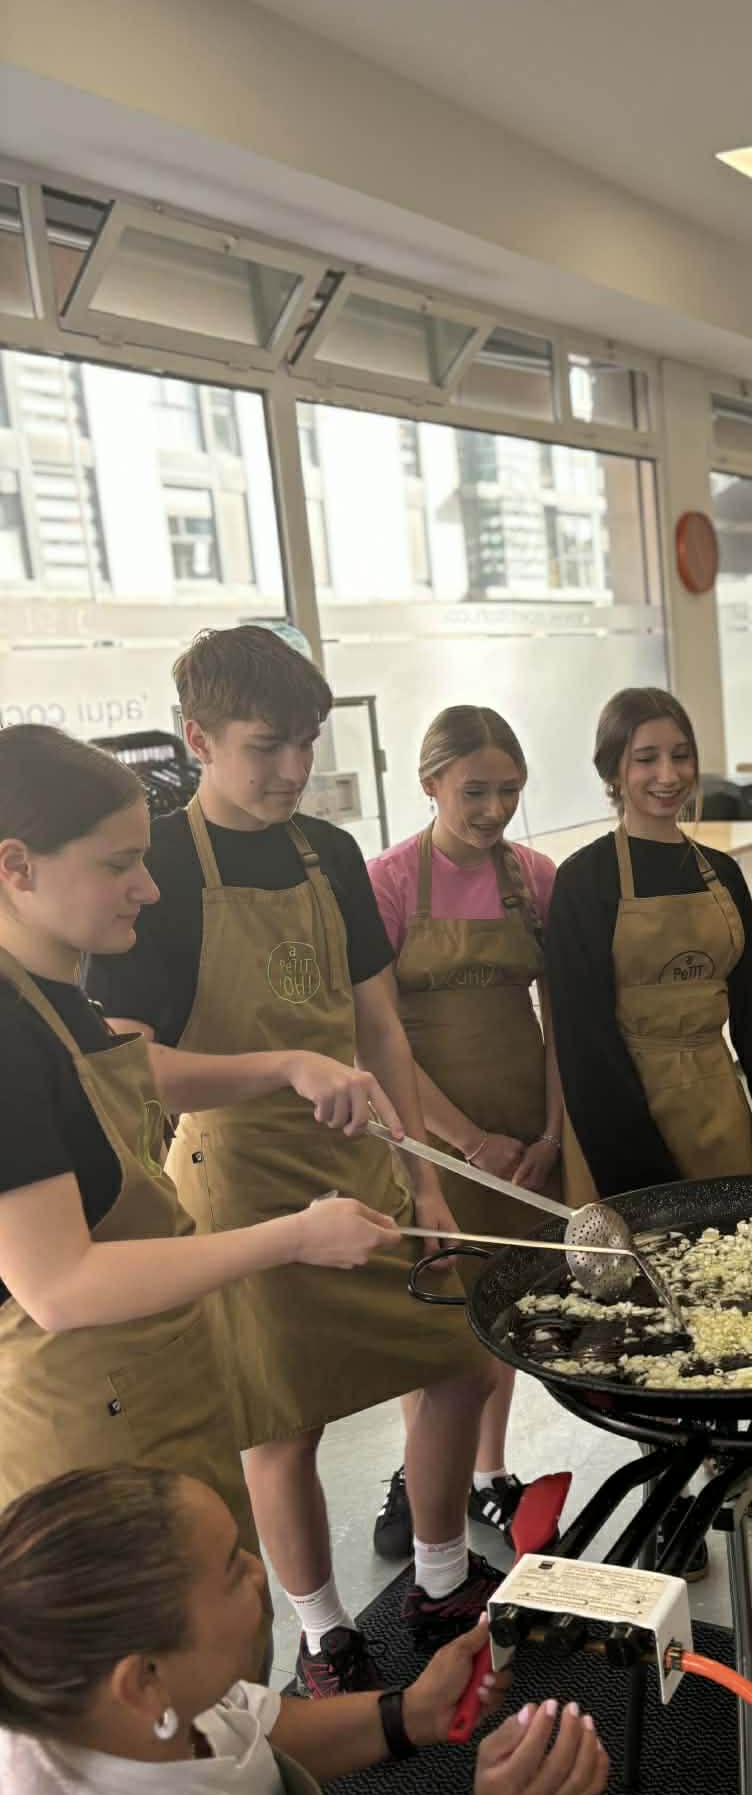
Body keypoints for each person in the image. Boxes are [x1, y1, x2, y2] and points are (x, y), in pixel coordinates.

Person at [88, 627, 499, 1701]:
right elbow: (133, 1067)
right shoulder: (155, 872)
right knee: (281, 1421)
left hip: (363, 1160)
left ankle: (441, 1577)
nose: (291, 769)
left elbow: (381, 1026)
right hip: (238, 1182)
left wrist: (424, 1174)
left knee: (458, 1356)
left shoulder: (328, 851)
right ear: (198, 738)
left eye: (306, 743)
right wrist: (281, 1065)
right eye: (265, 746)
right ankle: (323, 1634)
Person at [0, 726, 404, 1670]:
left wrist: (287, 1063)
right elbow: (59, 1285)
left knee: (225, 1651)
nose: (147, 888)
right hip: (83, 1419)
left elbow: (136, 1069)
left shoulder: (57, 994)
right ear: (15, 866)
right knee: (168, 1680)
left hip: (158, 1378)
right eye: (119, 865)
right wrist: (292, 1237)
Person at [0, 1465, 608, 1795]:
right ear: (143, 1681)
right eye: (231, 1569)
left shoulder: (87, 1700)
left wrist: (410, 1713)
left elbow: (253, 1729)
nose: (258, 1570)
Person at [544, 686, 752, 1572]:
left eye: (680, 755)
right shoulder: (586, 881)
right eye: (646, 759)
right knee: (648, 1320)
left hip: (714, 1104)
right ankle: (669, 1494)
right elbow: (581, 1039)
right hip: (620, 1113)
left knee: (734, 1302)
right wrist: (642, 1178)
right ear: (613, 771)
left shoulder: (721, 874)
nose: (668, 776)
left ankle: (740, 1468)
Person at [366, 707, 564, 1564]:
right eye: (474, 791)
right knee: (441, 1316)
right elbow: (377, 1036)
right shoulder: (387, 882)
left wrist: (548, 1132)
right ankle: (421, 1476)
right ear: (429, 784)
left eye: (509, 790)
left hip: (523, 1132)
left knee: (503, 1304)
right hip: (429, 1134)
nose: (494, 809)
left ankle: (488, 1473)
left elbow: (562, 1021)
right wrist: (466, 1140)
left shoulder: (536, 877)